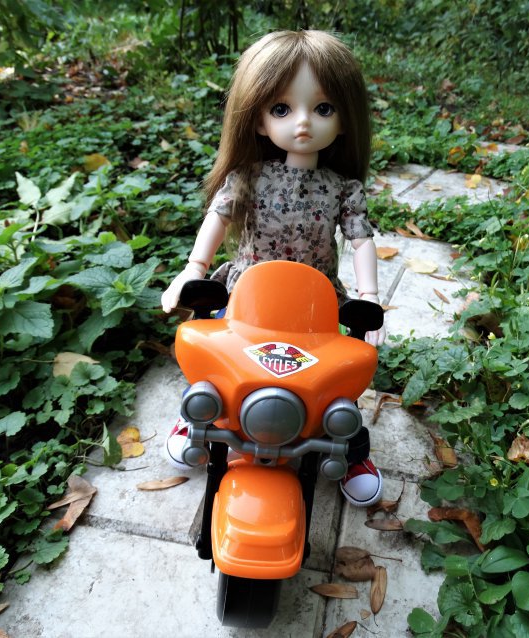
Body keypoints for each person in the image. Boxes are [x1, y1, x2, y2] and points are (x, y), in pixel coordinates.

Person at [160, 30, 386, 507]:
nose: (302, 123)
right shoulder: (247, 176)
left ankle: (350, 446)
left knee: (337, 381)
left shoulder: (342, 188)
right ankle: (199, 416)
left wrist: (369, 297)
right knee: (218, 361)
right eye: (282, 109)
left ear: (345, 118)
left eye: (322, 108)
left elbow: (361, 239)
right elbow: (218, 218)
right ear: (258, 119)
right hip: (249, 295)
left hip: (317, 304)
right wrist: (193, 267)